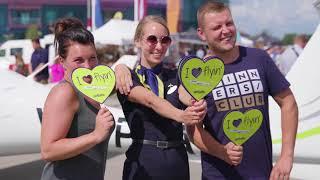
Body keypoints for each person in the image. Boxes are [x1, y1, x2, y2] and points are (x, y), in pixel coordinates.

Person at [186, 1, 298, 180]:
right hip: (218, 175)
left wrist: (286, 156)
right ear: (202, 34)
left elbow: (288, 103)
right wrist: (222, 152)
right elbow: (193, 130)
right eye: (217, 27)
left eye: (229, 23)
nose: (226, 30)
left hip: (261, 173)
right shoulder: (195, 74)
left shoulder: (258, 59)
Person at [115, 15, 208, 180]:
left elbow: (185, 95)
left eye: (165, 40)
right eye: (152, 39)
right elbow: (150, 100)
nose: (159, 46)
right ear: (137, 41)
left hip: (177, 161)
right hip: (144, 162)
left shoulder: (175, 75)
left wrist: (196, 104)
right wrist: (182, 116)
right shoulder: (127, 76)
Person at [40, 17, 115, 180]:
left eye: (92, 58)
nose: (88, 67)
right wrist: (95, 135)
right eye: (78, 60)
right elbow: (48, 150)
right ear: (62, 61)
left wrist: (122, 68)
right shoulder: (65, 92)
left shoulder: (92, 88)